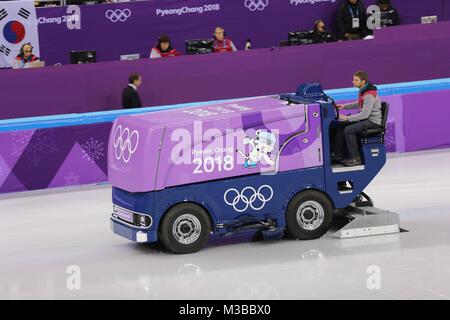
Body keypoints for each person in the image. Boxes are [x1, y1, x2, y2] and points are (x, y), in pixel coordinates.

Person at [333, 71, 382, 166]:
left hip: (372, 121)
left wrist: (347, 118)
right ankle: (337, 156)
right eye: (353, 79)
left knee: (348, 130)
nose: (353, 81)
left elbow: (365, 115)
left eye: (356, 80)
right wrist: (344, 106)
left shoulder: (369, 94)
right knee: (341, 126)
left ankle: (355, 158)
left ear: (363, 81)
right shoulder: (363, 91)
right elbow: (358, 103)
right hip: (367, 119)